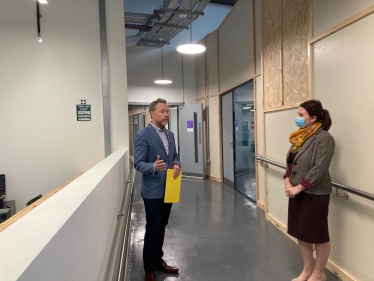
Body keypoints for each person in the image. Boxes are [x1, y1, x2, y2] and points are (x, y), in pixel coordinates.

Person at [284, 99, 335, 281]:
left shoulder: (325, 139)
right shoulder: (300, 136)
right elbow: (291, 162)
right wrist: (287, 183)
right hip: (296, 192)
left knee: (318, 234)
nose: (297, 117)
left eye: (300, 115)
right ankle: (307, 270)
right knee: (301, 232)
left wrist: (299, 187)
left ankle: (319, 273)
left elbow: (320, 167)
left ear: (313, 118)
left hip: (315, 194)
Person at [134, 98, 181, 281]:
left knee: (162, 227)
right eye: (162, 111)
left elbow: (174, 155)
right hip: (152, 192)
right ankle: (149, 269)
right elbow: (138, 163)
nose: (166, 114)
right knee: (153, 228)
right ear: (152, 113)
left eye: (167, 111)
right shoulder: (143, 135)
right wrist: (153, 167)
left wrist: (176, 164)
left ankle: (158, 259)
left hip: (169, 189)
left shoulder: (170, 135)